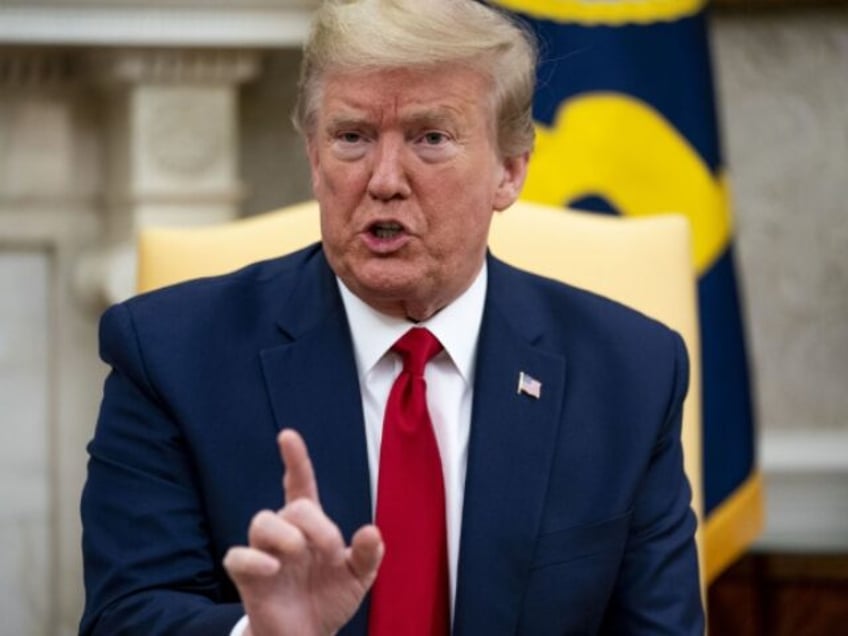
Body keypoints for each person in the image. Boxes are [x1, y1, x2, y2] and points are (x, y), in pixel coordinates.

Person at [79, 0, 704, 634]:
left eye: (430, 138)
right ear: (314, 158)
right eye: (352, 137)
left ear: (510, 171)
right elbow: (124, 616)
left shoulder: (631, 375)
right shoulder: (169, 355)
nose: (383, 180)